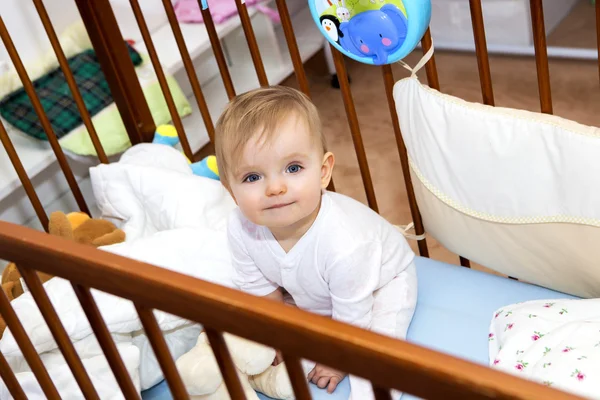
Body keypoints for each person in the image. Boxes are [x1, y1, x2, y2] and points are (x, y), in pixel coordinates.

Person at [214, 85, 417, 399]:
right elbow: (258, 288)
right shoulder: (241, 228)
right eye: (253, 177)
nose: (275, 188)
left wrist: (337, 360)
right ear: (230, 190)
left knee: (378, 352)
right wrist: (278, 335)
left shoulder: (345, 243)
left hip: (382, 280)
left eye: (293, 168)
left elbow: (353, 316)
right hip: (316, 289)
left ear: (323, 172)